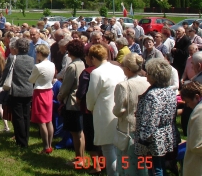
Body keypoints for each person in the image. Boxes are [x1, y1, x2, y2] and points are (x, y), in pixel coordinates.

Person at [86, 44, 125, 176]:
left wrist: (90, 108)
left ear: (93, 58)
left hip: (104, 112)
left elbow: (91, 94)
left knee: (108, 148)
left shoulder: (96, 73)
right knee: (117, 147)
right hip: (119, 110)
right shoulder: (118, 69)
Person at [135, 58, 177, 176]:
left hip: (153, 138)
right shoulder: (169, 91)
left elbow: (151, 121)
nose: (146, 75)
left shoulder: (152, 95)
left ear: (155, 76)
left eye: (148, 72)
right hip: (167, 133)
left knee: (155, 169)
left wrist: (143, 139)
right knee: (161, 166)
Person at [113, 53, 150, 176]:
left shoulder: (123, 86)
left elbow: (118, 110)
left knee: (127, 164)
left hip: (128, 129)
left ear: (128, 69)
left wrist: (115, 110)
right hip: (145, 127)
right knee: (143, 164)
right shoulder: (147, 81)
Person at [57, 39, 86, 166]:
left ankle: (79, 159)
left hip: (72, 102)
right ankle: (81, 157)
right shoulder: (82, 63)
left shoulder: (72, 66)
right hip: (80, 101)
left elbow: (66, 86)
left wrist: (60, 96)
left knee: (75, 133)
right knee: (80, 132)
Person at [2, 38, 34, 148]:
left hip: (16, 91)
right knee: (26, 116)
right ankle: (25, 138)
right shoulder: (31, 59)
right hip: (29, 90)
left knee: (18, 117)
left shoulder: (13, 58)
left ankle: (21, 142)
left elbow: (6, 72)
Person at [29, 44, 55, 154]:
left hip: (40, 92)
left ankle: (46, 147)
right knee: (49, 120)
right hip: (49, 91)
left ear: (39, 53)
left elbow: (31, 79)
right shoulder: (52, 64)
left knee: (42, 122)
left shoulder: (38, 66)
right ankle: (50, 144)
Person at [180, 82, 202, 176]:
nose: (188, 106)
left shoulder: (199, 112)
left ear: (197, 97)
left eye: (188, 102)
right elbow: (197, 146)